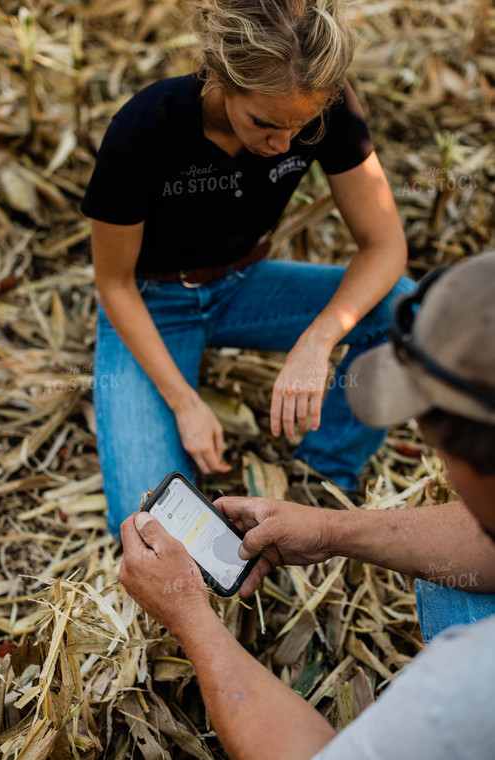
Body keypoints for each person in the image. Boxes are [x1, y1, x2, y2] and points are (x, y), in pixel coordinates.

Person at [119, 251, 495, 759]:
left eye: (444, 452)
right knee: (450, 573)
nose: (445, 472)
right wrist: (328, 529)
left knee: (456, 590)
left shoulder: (466, 682)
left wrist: (191, 618)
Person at [81, 0, 414, 539]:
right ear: (220, 76)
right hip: (153, 302)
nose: (283, 145)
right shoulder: (144, 129)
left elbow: (384, 244)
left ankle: (321, 475)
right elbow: (113, 285)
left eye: (300, 127)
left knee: (407, 310)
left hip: (244, 286)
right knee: (149, 524)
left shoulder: (322, 103)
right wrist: (185, 404)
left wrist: (318, 339)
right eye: (264, 123)